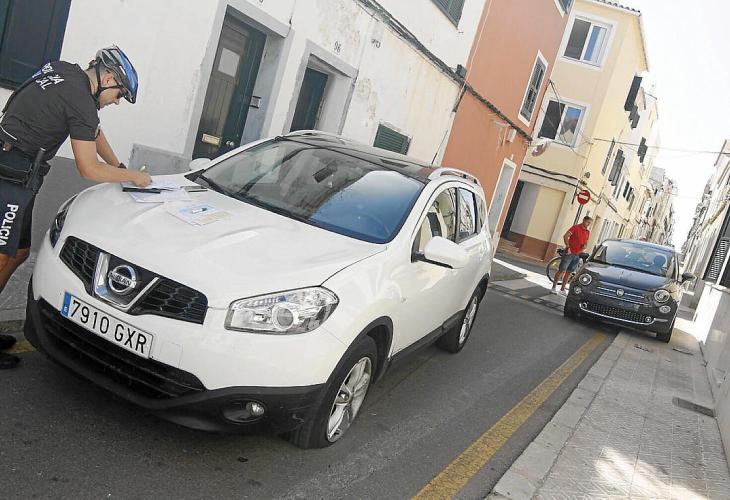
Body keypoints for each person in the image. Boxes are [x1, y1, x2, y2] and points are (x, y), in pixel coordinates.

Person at [0, 45, 151, 369]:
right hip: (9, 175)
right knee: (1, 257)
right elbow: (88, 168)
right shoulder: (81, 100)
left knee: (19, 252)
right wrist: (133, 177)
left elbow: (92, 130)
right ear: (108, 78)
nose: (117, 102)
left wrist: (119, 166)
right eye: (119, 94)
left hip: (18, 172)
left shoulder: (65, 71)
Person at [551, 216, 592, 295]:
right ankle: (553, 287)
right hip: (569, 253)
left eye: (590, 223)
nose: (588, 224)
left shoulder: (587, 232)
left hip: (577, 254)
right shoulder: (575, 227)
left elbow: (586, 242)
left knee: (569, 272)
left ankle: (562, 289)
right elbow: (566, 236)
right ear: (584, 220)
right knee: (561, 270)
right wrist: (568, 246)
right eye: (588, 222)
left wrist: (584, 246)